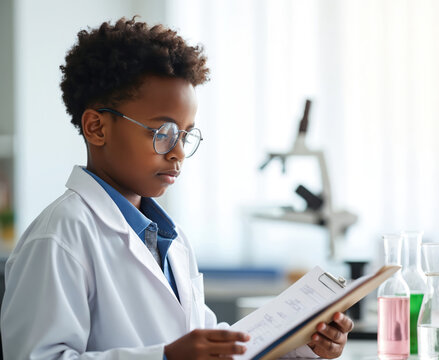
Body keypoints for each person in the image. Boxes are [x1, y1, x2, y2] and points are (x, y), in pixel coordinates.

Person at [0, 17, 353, 359]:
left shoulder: (171, 238)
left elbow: (215, 347)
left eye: (185, 134)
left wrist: (305, 344)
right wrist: (166, 358)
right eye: (162, 132)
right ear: (96, 128)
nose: (179, 152)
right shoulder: (60, 237)